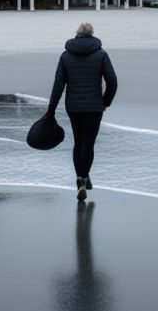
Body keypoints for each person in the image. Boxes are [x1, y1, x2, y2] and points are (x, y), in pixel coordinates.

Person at [44, 22, 117, 201]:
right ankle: (83, 178)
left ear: (76, 35)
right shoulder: (101, 54)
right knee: (88, 143)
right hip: (94, 107)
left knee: (78, 142)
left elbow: (58, 85)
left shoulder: (66, 56)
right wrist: (105, 102)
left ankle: (81, 179)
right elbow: (112, 81)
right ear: (92, 34)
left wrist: (51, 110)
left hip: (73, 107)